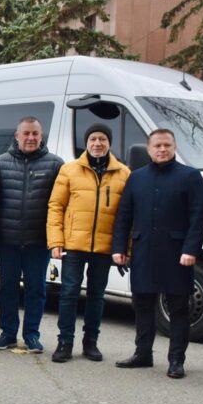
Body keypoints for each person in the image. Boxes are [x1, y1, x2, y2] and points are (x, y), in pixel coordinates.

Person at [111, 129, 203, 377]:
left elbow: (198, 218)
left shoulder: (190, 177)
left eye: (167, 145)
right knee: (142, 305)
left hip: (178, 255)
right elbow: (124, 215)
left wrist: (191, 249)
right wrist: (119, 247)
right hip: (144, 251)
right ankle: (143, 354)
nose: (162, 149)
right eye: (157, 145)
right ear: (149, 148)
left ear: (174, 147)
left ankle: (176, 360)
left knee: (178, 308)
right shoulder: (137, 177)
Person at [46, 124, 130, 364]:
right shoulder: (70, 169)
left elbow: (127, 215)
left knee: (96, 295)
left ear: (109, 143)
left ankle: (90, 342)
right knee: (69, 293)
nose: (97, 143)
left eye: (102, 139)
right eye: (93, 138)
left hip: (104, 247)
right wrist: (56, 241)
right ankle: (65, 342)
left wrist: (123, 248)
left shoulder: (123, 173)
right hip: (73, 244)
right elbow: (56, 206)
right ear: (87, 142)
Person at [0, 117, 64, 353]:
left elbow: (61, 204)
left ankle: (32, 335)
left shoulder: (55, 165)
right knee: (7, 288)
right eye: (26, 133)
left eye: (35, 133)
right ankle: (8, 333)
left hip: (38, 240)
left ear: (41, 136)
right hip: (8, 239)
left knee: (36, 289)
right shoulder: (0, 163)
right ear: (17, 135)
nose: (31, 138)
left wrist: (57, 238)